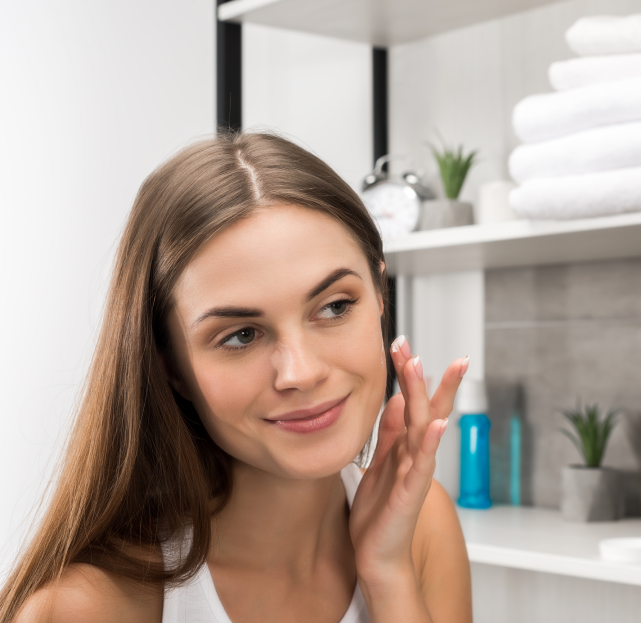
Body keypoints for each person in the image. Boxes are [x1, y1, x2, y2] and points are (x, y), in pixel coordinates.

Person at [0, 132, 472, 622]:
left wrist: (388, 575)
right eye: (242, 335)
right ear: (171, 367)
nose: (301, 372)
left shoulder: (419, 522)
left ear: (379, 293)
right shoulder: (87, 608)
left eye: (334, 306)